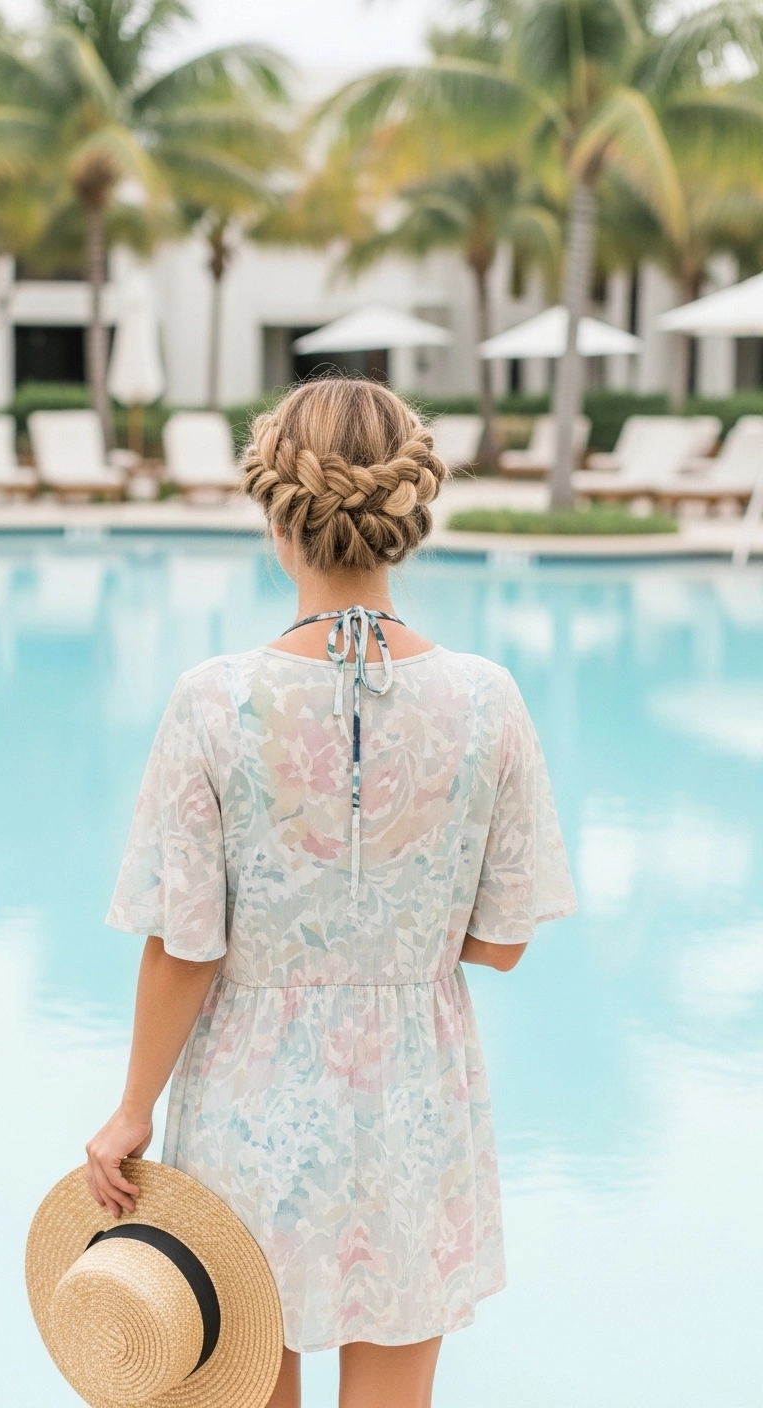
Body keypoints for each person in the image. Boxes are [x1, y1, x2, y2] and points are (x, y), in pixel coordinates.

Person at [85, 378, 577, 1408]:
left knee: (239, 1384)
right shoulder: (489, 698)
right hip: (417, 1108)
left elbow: (188, 946)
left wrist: (131, 1109)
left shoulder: (213, 700)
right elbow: (503, 944)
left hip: (247, 1112)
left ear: (278, 516)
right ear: (408, 515)